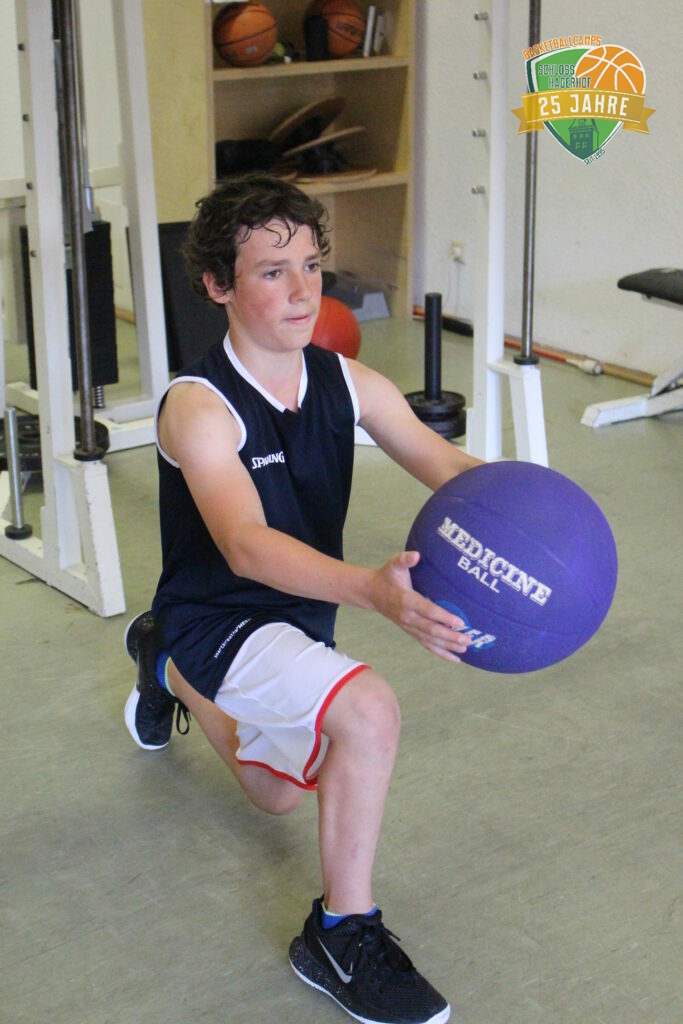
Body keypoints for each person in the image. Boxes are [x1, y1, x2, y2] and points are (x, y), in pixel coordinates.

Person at [124, 172, 481, 1024]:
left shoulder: (346, 381)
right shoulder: (198, 407)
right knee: (368, 710)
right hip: (220, 616)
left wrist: (537, 510)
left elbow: (448, 469)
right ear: (217, 285)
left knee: (277, 793)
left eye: (312, 265)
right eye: (271, 271)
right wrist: (371, 592)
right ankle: (340, 932)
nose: (301, 290)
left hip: (298, 617)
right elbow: (245, 544)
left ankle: (159, 662)